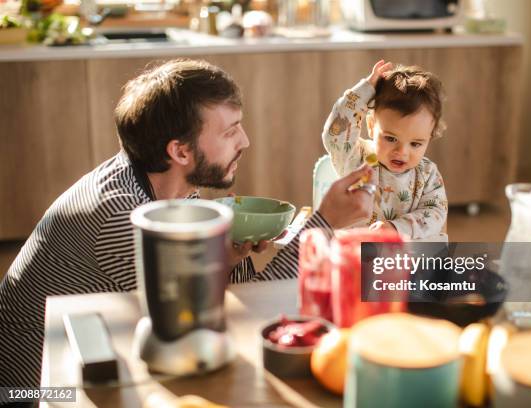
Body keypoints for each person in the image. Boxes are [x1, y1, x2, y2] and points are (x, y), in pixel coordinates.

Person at [0, 59, 375, 389]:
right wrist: (324, 223)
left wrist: (228, 257)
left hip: (104, 351)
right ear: (179, 151)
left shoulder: (171, 190)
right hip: (42, 388)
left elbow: (223, 292)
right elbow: (241, 315)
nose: (244, 141)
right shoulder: (121, 218)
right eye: (229, 132)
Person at [322, 60, 448, 239]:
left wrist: (396, 228)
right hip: (356, 256)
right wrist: (365, 90)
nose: (402, 152)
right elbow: (335, 134)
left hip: (406, 259)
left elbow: (435, 215)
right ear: (372, 126)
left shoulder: (428, 174)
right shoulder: (358, 159)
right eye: (390, 138)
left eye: (415, 144)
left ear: (430, 135)